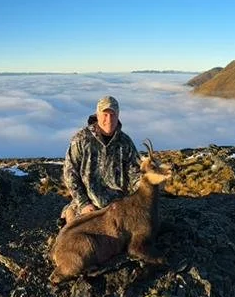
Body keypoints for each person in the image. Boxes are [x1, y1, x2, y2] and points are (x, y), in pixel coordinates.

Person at [60, 95, 170, 223]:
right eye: (105, 114)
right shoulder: (81, 139)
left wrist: (150, 182)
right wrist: (84, 203)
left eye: (113, 114)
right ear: (97, 115)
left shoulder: (125, 142)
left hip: (119, 205)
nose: (109, 119)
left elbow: (134, 174)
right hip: (90, 205)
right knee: (78, 236)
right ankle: (70, 214)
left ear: (118, 115)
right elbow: (70, 173)